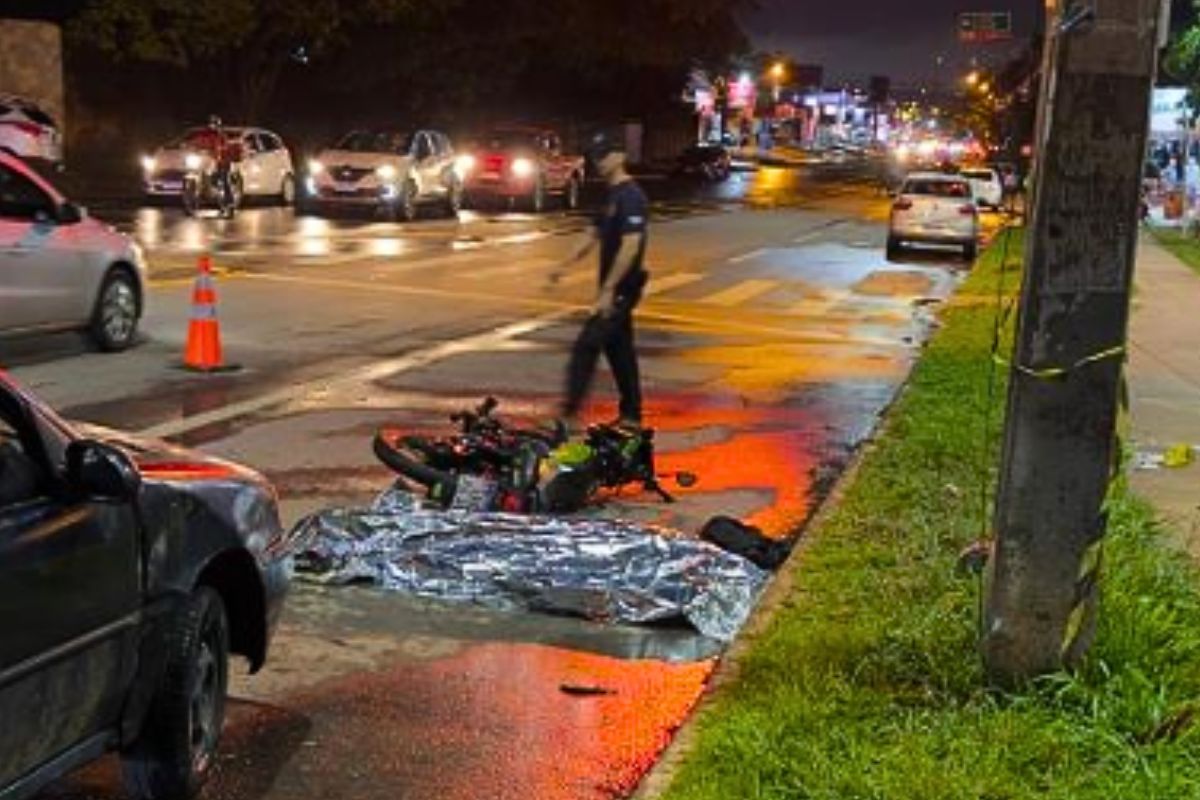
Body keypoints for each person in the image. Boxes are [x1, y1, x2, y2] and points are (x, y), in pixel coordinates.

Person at [549, 132, 649, 432]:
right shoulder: (612, 195)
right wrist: (562, 266)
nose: (599, 162)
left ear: (619, 156)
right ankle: (631, 415)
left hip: (623, 287)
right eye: (595, 156)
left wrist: (608, 291)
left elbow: (631, 246)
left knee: (587, 345)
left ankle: (569, 415)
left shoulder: (632, 196)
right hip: (613, 287)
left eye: (604, 155)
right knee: (619, 351)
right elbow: (592, 235)